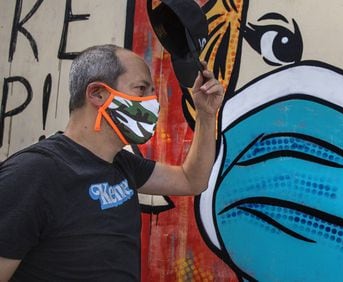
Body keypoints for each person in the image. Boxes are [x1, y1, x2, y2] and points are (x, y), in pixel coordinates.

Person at [0, 44, 224, 281]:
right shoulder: (34, 173)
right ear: (98, 94)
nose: (152, 102)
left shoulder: (121, 163)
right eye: (141, 90)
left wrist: (206, 115)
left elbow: (191, 181)